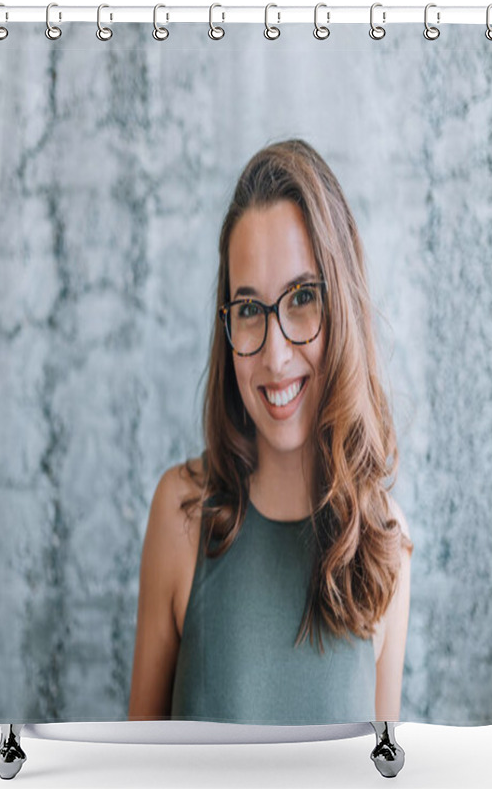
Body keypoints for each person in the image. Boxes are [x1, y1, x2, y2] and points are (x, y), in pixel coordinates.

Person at [128, 139, 412, 724]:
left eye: (303, 298)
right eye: (250, 309)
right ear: (227, 324)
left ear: (344, 305)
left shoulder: (386, 544)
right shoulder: (180, 513)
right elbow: (133, 767)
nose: (276, 356)